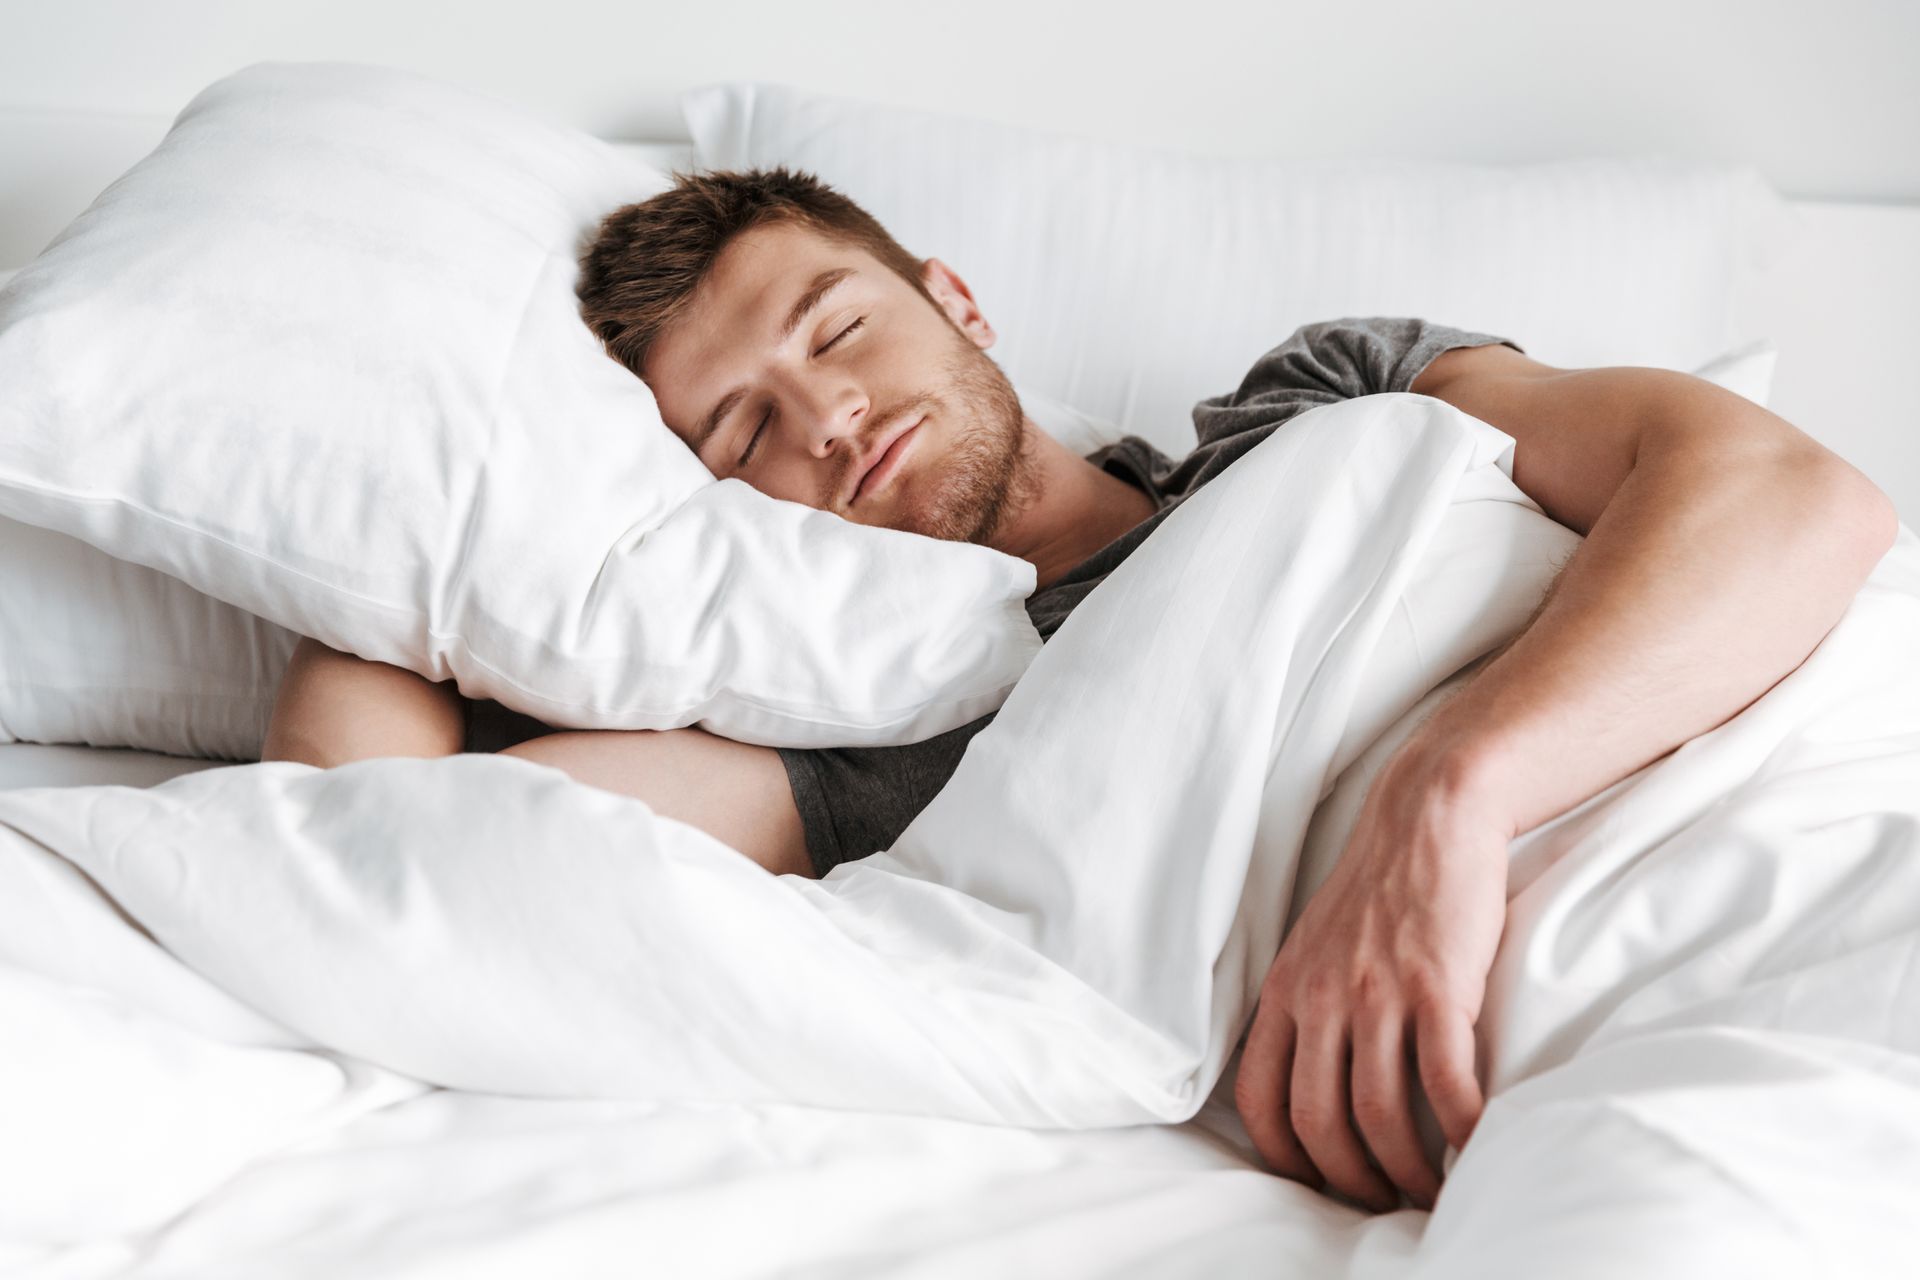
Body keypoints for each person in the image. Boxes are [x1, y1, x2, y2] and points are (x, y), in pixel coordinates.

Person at [261, 166, 1898, 1216]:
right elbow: (379, 839)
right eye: (742, 433)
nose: (825, 419)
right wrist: (422, 534)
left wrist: (1451, 792)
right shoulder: (897, 746)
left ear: (956, 301)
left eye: (837, 332)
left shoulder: (1320, 402)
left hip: (1779, 825)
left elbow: (1780, 496)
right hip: (1577, 1068)